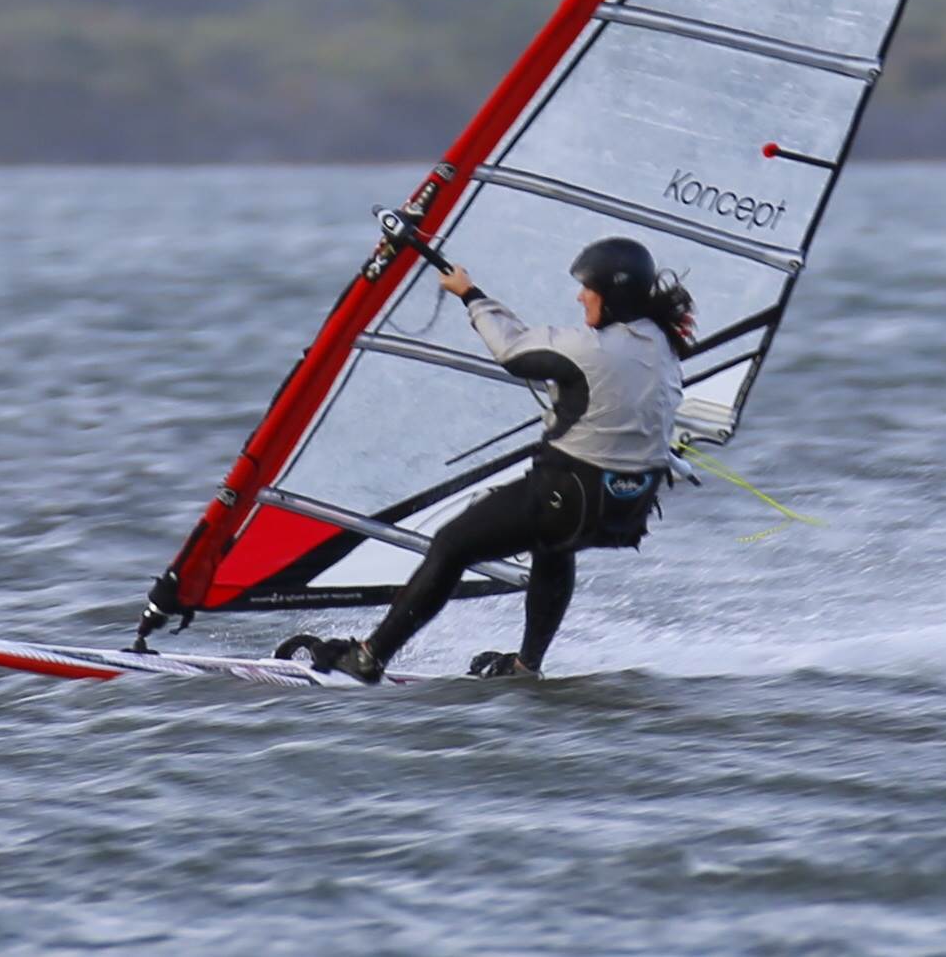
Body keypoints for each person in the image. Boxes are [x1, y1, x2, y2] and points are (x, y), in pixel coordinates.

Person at [279, 237, 692, 683]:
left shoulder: (591, 349)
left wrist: (470, 294)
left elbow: (514, 350)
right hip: (628, 505)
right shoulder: (663, 344)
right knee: (553, 546)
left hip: (569, 494)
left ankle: (368, 658)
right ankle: (526, 667)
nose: (580, 296)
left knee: (451, 544)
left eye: (588, 288)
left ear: (613, 296)